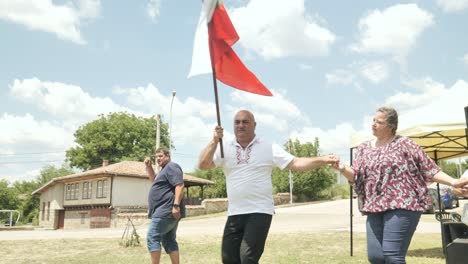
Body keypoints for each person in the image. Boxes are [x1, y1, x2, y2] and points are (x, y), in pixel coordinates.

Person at [198, 109, 339, 264]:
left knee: (247, 258)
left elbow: (296, 163)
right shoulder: (224, 148)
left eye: (245, 122)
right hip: (235, 212)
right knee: (229, 259)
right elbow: (203, 165)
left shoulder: (268, 146)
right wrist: (214, 141)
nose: (240, 125)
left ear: (254, 125)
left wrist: (323, 159)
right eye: (237, 122)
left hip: (259, 211)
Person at [333, 106, 468, 264]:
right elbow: (356, 175)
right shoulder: (363, 149)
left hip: (404, 203)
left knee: (392, 255)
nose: (373, 124)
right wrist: (342, 169)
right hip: (374, 205)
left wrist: (453, 181)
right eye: (373, 120)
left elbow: (429, 169)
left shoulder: (405, 144)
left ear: (391, 126)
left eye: (379, 122)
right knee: (376, 257)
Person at [144, 147, 185, 264]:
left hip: (166, 211)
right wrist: (149, 167)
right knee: (169, 240)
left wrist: (176, 206)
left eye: (160, 156)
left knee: (152, 236)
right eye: (156, 157)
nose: (158, 159)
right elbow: (154, 180)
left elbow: (180, 185)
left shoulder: (172, 167)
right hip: (166, 211)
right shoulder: (164, 170)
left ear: (168, 156)